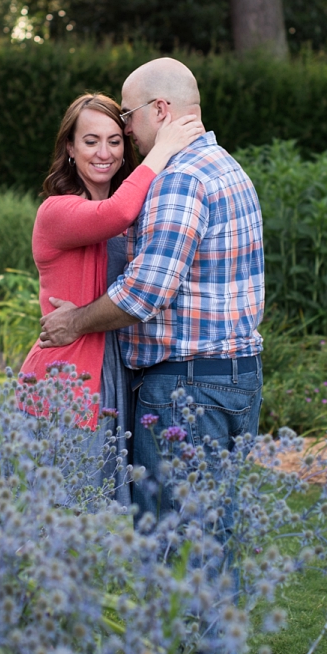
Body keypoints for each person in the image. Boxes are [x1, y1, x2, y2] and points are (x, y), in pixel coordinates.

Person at [36, 57, 266, 523]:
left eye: (124, 120)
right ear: (70, 150)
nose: (125, 131)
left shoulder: (179, 178)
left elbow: (144, 292)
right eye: (93, 139)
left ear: (159, 110)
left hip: (187, 385)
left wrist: (74, 321)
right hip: (232, 378)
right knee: (208, 539)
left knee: (171, 545)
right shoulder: (227, 167)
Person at [19, 93, 203, 502]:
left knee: (104, 518)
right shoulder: (57, 211)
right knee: (64, 516)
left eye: (115, 141)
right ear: (69, 147)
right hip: (67, 377)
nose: (105, 153)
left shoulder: (134, 209)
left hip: (115, 374)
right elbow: (114, 214)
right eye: (90, 141)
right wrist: (165, 148)